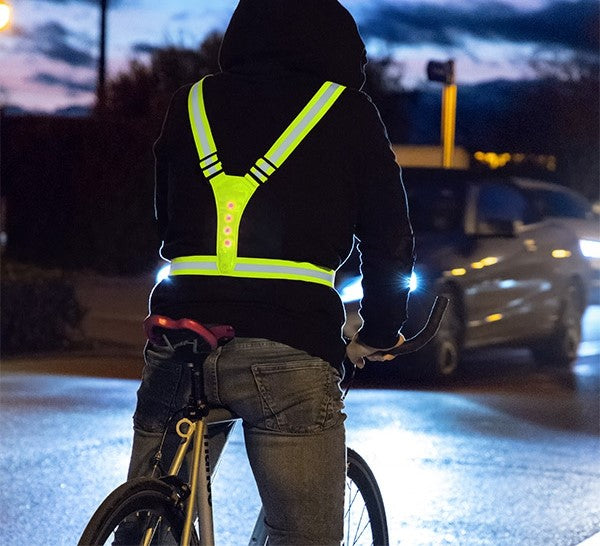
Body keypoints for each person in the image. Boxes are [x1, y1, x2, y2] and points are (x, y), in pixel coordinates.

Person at [124, 1, 414, 544]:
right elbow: (388, 237)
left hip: (179, 333)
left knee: (149, 529)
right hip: (289, 339)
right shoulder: (347, 110)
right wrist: (379, 329)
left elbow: (164, 214)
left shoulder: (189, 103)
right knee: (304, 534)